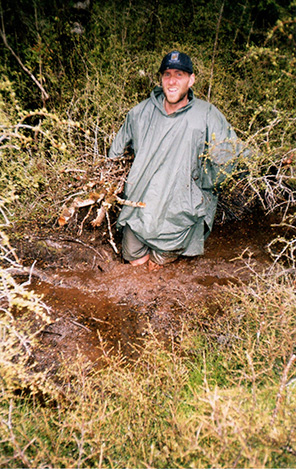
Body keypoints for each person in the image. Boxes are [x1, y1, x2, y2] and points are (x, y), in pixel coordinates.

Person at [109, 50, 246, 271]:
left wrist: (200, 187)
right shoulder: (140, 113)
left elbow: (231, 157)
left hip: (179, 212)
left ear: (191, 80)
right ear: (161, 79)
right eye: (167, 74)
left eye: (180, 74)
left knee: (157, 268)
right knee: (134, 265)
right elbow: (114, 154)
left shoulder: (207, 114)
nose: (172, 81)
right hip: (139, 208)